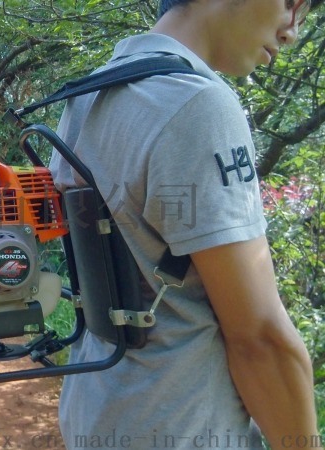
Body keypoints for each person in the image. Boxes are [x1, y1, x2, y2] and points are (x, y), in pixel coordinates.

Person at [48, 0, 318, 448]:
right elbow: (261, 341)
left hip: (98, 412)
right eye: (291, 4)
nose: (292, 30)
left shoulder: (86, 96)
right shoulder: (196, 103)